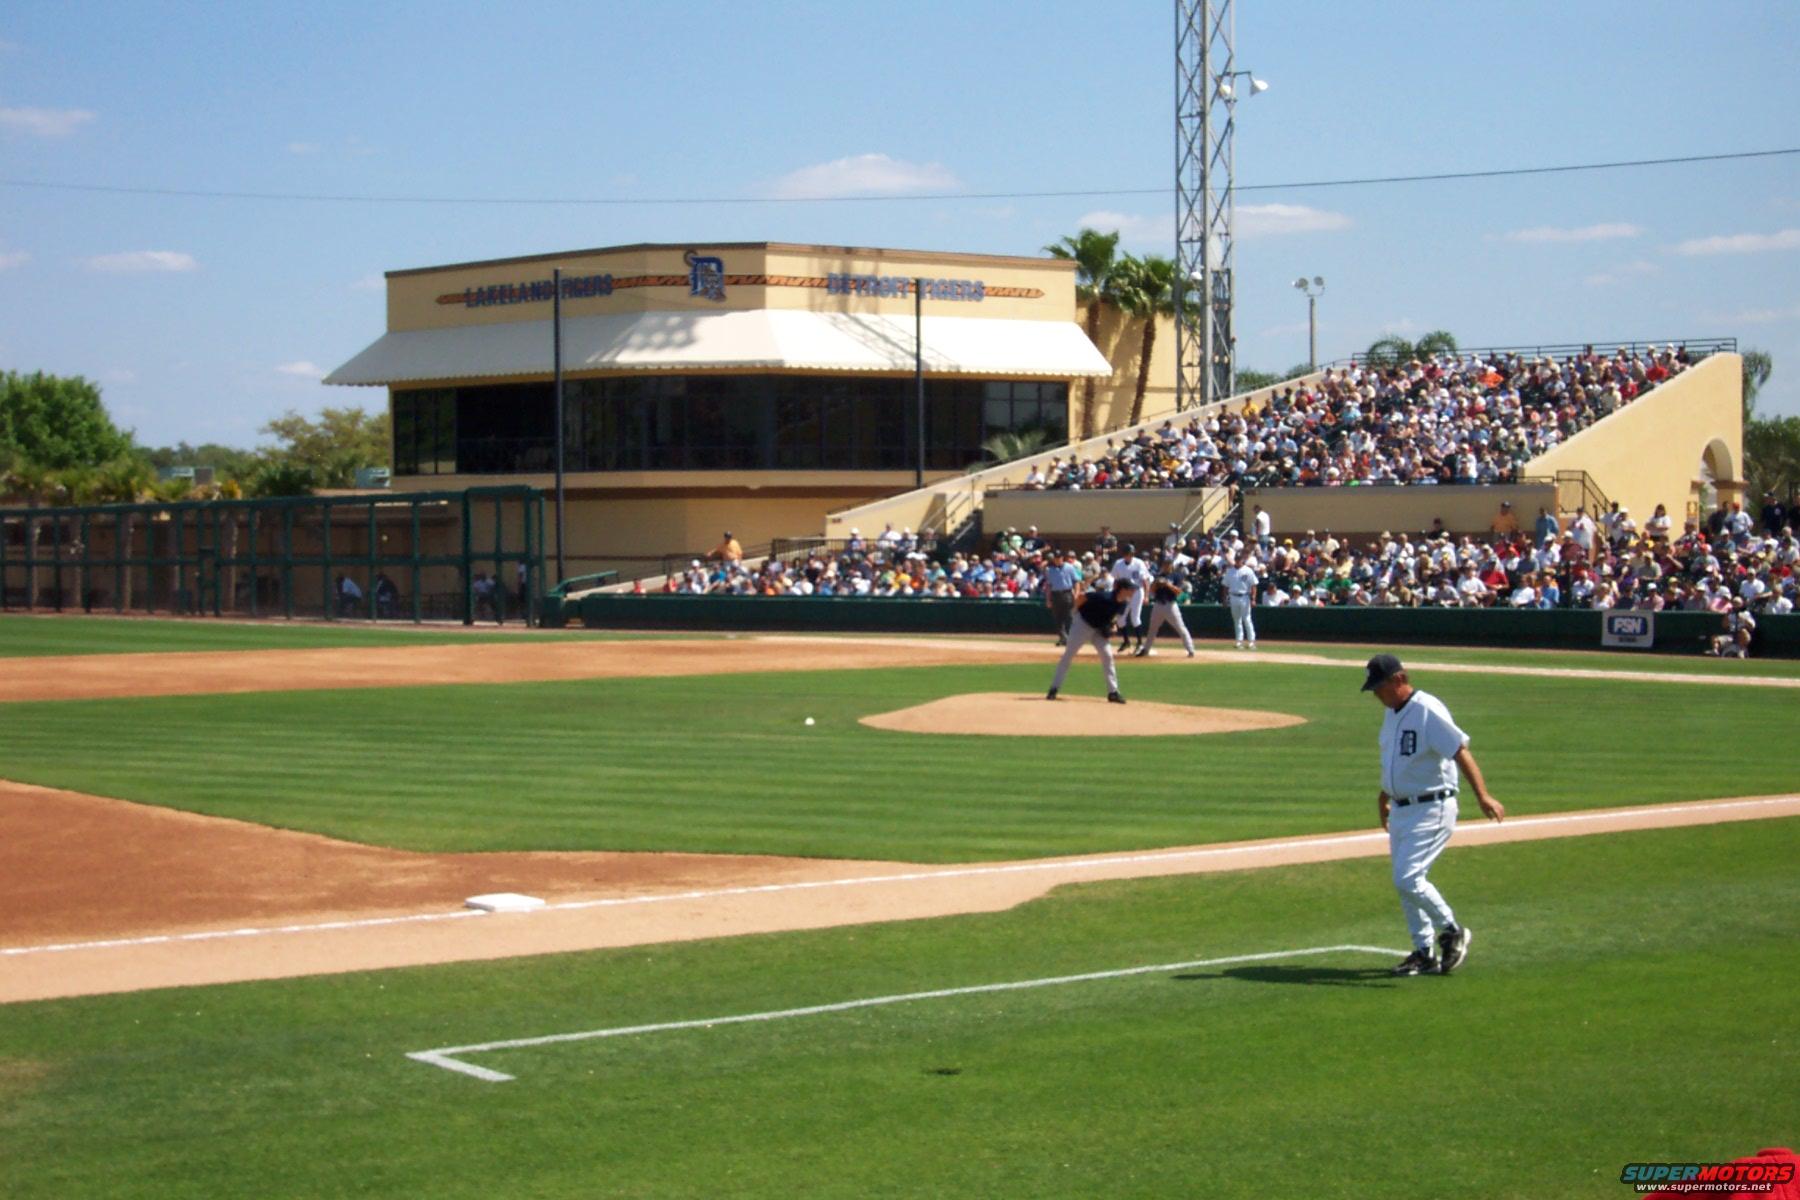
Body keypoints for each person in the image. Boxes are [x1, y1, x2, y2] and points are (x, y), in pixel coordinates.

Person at [1362, 654, 1505, 977]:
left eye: (1380, 687)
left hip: (1432, 806)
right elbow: (1398, 764)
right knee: (1404, 883)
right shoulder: (1392, 714)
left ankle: (1452, 930)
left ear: (1399, 679)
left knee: (1408, 877)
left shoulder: (1427, 709)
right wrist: (1384, 796)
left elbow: (1460, 751)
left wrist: (1483, 795)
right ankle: (1423, 952)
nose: (1377, 695)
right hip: (1402, 808)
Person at [1046, 578, 1134, 704]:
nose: (1133, 591)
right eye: (1130, 589)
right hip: (1083, 624)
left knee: (1108, 656)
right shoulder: (1104, 596)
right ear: (1122, 589)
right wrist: (1075, 612)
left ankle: (1113, 692)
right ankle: (1054, 689)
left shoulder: (1123, 604)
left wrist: (1113, 626)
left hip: (1099, 629)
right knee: (1068, 655)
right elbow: (1082, 597)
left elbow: (1114, 618)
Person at [1109, 544, 1153, 654]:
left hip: (1137, 592)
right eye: (1128, 554)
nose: (1129, 556)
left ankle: (1140, 643)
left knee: (1135, 618)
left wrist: (1146, 596)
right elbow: (1115, 581)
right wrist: (1115, 594)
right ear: (1124, 554)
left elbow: (1145, 581)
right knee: (1120, 619)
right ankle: (1126, 641)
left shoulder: (1139, 563)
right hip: (1123, 593)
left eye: (1131, 554)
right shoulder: (1118, 564)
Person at [1139, 570, 1195, 657]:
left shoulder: (1176, 575)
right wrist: (1156, 583)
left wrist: (1167, 584)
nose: (1165, 565)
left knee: (1180, 628)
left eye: (1168, 564)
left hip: (1171, 605)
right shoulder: (1159, 575)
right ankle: (1146, 649)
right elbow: (1152, 590)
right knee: (1152, 629)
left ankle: (1190, 650)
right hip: (1158, 605)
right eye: (1165, 563)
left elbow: (1179, 592)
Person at [1043, 548, 1080, 646]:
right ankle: (1063, 638)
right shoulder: (1050, 570)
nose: (1057, 560)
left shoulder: (1070, 567)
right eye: (1055, 558)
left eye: (1059, 558)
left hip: (1067, 593)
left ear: (1062, 558)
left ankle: (1070, 638)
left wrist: (1076, 594)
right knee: (1057, 618)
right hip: (1055, 595)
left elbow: (1076, 582)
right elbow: (1049, 586)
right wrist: (1048, 599)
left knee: (1069, 617)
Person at [1223, 551, 1259, 649]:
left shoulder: (1248, 570)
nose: (1238, 561)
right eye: (1237, 559)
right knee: (1236, 620)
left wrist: (1253, 598)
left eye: (1239, 559)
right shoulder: (1230, 571)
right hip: (1233, 596)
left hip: (1245, 596)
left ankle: (1251, 641)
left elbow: (1254, 585)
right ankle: (1239, 641)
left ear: (1242, 560)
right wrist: (1225, 599)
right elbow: (1225, 586)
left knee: (1247, 619)